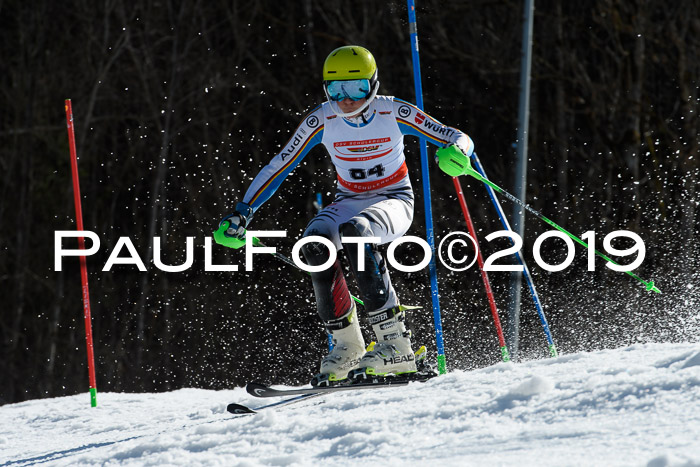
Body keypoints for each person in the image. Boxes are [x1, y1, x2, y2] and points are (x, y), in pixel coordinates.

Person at [220, 45, 474, 387]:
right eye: (335, 89)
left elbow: (455, 136)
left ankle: (395, 345)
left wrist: (457, 151)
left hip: (394, 200)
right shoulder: (321, 119)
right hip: (350, 200)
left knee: (357, 232)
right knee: (314, 245)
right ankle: (348, 347)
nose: (346, 99)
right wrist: (242, 212)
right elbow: (280, 166)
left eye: (356, 88)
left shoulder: (393, 111)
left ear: (373, 84)